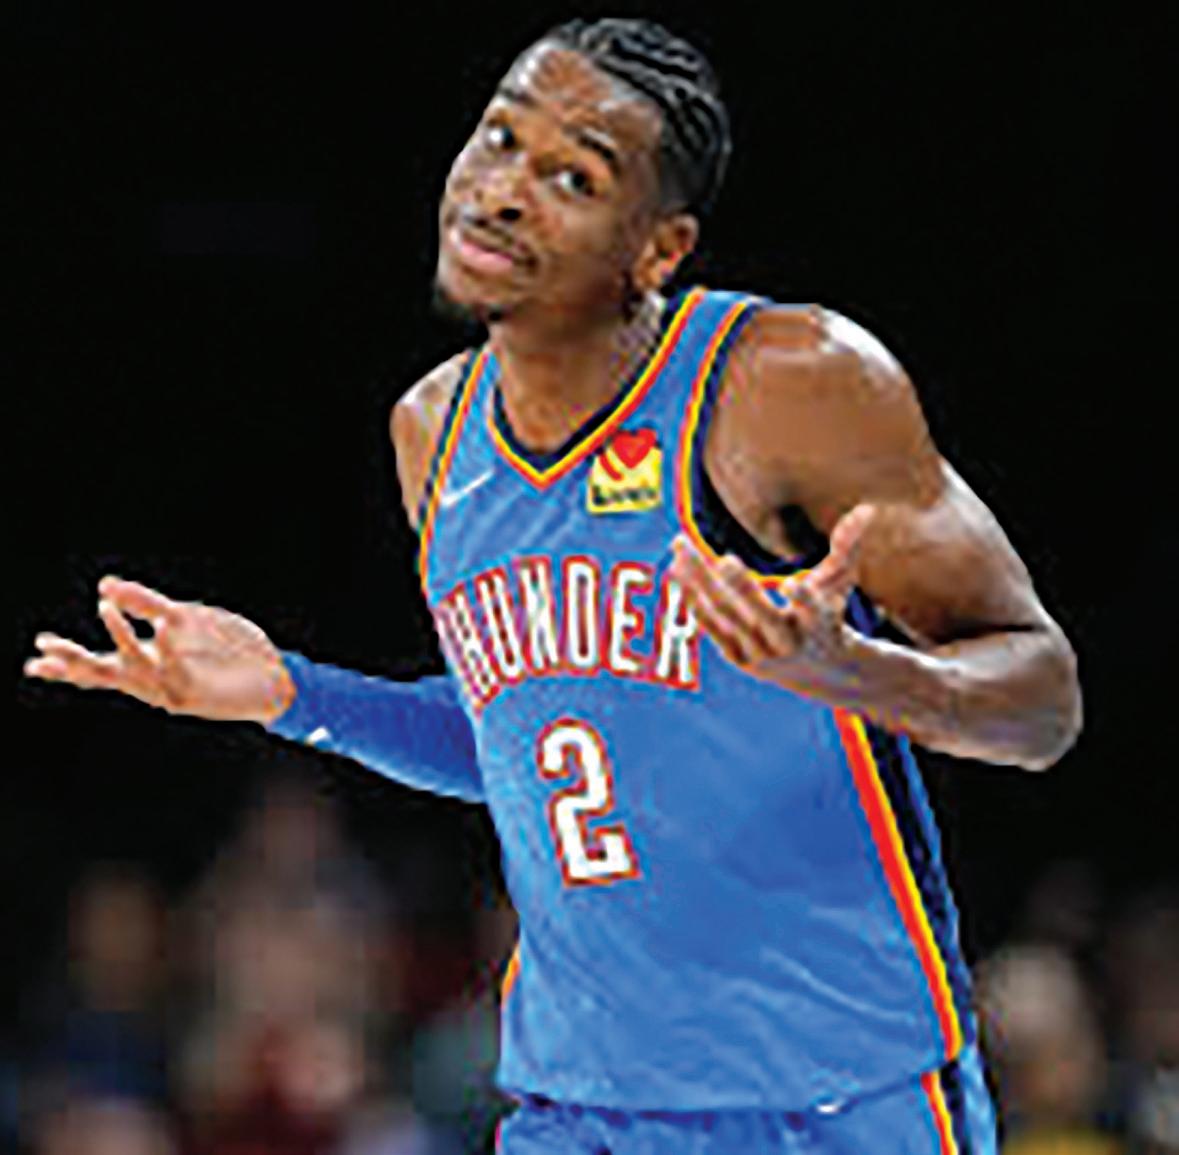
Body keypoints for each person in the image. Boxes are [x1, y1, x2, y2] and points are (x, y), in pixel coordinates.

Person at [25, 17, 1083, 1154]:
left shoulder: (785, 381)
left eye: (573, 176)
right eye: (498, 139)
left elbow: (1042, 699)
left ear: (658, 250)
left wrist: (854, 672)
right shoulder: (433, 433)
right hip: (578, 1103)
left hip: (830, 1099)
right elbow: (532, 742)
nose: (502, 192)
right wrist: (294, 692)